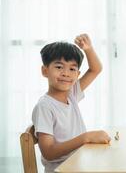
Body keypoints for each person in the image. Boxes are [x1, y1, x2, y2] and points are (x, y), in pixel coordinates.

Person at [32, 34, 111, 173]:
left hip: (79, 164)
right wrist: (86, 138)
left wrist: (88, 49)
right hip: (61, 170)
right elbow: (48, 152)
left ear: (78, 74)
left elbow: (96, 69)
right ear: (45, 71)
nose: (66, 74)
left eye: (72, 69)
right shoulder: (44, 106)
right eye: (59, 67)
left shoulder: (72, 94)